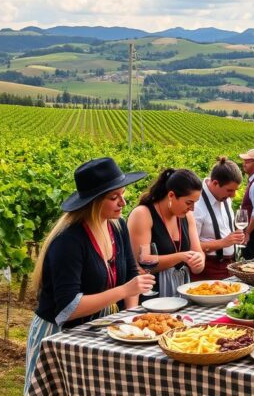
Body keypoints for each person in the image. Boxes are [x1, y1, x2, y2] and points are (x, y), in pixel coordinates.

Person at [24, 158, 155, 393]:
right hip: (60, 337)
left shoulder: (117, 226)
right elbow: (68, 308)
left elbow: (131, 275)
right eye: (114, 198)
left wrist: (130, 319)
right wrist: (125, 291)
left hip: (100, 328)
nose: (123, 203)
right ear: (93, 202)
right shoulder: (69, 240)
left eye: (123, 194)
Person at [127, 168, 206, 298]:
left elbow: (198, 253)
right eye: (188, 203)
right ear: (171, 195)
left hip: (182, 291)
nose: (192, 208)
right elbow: (142, 261)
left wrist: (199, 261)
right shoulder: (143, 214)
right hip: (151, 294)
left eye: (195, 203)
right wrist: (181, 257)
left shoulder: (188, 216)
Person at [193, 157, 246, 280]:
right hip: (208, 269)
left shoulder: (223, 197)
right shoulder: (196, 204)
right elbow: (190, 246)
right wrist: (223, 242)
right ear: (215, 183)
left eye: (235, 190)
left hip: (229, 266)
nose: (233, 195)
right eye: (229, 190)